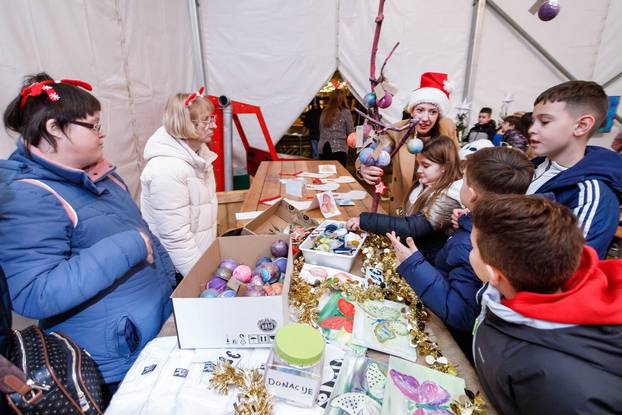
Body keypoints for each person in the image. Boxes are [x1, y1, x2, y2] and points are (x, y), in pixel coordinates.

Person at [0, 73, 175, 397]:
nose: (102, 132)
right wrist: (129, 245)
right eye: (92, 125)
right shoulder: (30, 195)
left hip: (154, 329)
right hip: (114, 358)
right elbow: (33, 291)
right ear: (54, 128)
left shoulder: (100, 175)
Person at [470, 194, 622, 414]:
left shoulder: (561, 389)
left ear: (494, 273)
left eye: (474, 248)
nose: (471, 253)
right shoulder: (513, 291)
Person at [387, 147, 534, 362]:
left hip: (454, 344)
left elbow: (460, 311)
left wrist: (414, 263)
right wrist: (466, 220)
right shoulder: (489, 227)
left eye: (463, 180)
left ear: (472, 193)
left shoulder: (472, 243)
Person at [526, 80, 622, 258]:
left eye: (544, 122)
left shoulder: (592, 194)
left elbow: (571, 262)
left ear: (581, 126)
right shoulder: (534, 167)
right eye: (533, 121)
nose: (532, 129)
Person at [140, 89, 218, 279]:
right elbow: (176, 237)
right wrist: (201, 279)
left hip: (199, 261)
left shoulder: (200, 157)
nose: (214, 125)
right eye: (207, 120)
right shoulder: (166, 170)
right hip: (180, 271)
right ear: (187, 124)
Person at [358, 72, 459, 215]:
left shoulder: (447, 128)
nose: (425, 118)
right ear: (411, 111)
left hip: (438, 208)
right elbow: (374, 151)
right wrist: (364, 166)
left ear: (439, 114)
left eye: (432, 112)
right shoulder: (397, 130)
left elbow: (458, 165)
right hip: (404, 205)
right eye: (420, 110)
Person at [348, 136, 462, 261]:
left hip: (428, 263)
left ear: (444, 167)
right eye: (419, 164)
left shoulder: (450, 197)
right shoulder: (424, 184)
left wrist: (364, 220)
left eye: (426, 166)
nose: (419, 170)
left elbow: (412, 227)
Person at [318, 89, 354, 166]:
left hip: (323, 147)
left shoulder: (324, 112)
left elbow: (320, 129)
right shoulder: (345, 112)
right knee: (339, 174)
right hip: (339, 148)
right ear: (343, 99)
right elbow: (351, 132)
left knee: (325, 173)